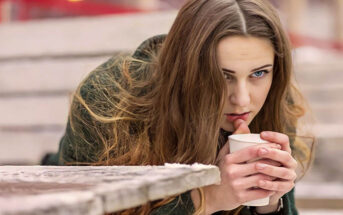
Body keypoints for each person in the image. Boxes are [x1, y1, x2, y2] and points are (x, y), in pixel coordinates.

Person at [42, 0, 315, 214]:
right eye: (222, 75)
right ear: (187, 69)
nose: (242, 100)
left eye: (258, 73)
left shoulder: (274, 100)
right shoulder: (110, 98)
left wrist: (269, 204)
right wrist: (206, 199)